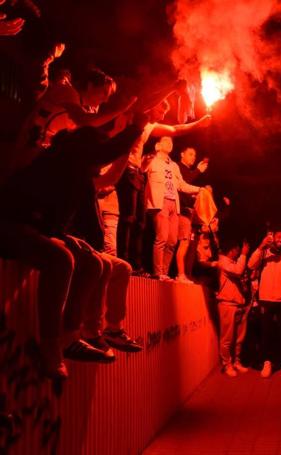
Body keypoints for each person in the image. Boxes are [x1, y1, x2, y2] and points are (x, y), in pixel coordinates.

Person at [0, 114, 147, 379]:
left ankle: (71, 336)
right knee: (61, 259)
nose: (101, 165)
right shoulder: (61, 161)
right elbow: (26, 210)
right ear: (87, 151)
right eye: (97, 156)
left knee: (91, 261)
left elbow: (69, 222)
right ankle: (50, 348)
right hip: (9, 223)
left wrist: (67, 237)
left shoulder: (76, 172)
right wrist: (137, 126)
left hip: (34, 227)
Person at [115, 97, 211, 273]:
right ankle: (127, 262)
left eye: (165, 113)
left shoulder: (171, 162)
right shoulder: (135, 123)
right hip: (134, 176)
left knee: (156, 232)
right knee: (133, 222)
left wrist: (197, 124)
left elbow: (175, 129)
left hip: (165, 197)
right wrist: (174, 88)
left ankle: (143, 267)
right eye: (161, 111)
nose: (162, 115)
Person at [144, 136, 205, 280]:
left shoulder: (174, 166)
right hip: (160, 202)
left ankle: (164, 273)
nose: (169, 143)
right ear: (158, 144)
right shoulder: (152, 160)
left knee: (172, 241)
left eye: (171, 141)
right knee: (162, 238)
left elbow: (181, 185)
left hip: (174, 204)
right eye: (165, 140)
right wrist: (152, 153)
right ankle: (158, 273)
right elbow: (142, 167)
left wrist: (199, 189)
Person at [247, 226, 281, 378]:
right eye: (278, 237)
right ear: (272, 238)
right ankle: (267, 361)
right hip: (266, 299)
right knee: (266, 333)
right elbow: (250, 265)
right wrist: (261, 246)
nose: (280, 240)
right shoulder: (263, 252)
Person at [211, 238, 251, 377]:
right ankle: (227, 364)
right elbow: (238, 271)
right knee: (227, 338)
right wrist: (244, 255)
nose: (239, 252)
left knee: (239, 338)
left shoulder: (232, 262)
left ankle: (236, 362)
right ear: (232, 249)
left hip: (238, 303)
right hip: (227, 304)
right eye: (238, 250)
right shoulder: (223, 262)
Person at [175, 147, 208, 283]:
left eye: (194, 155)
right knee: (182, 243)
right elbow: (184, 183)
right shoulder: (178, 167)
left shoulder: (188, 171)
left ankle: (185, 274)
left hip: (188, 211)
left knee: (188, 245)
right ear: (182, 154)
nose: (193, 157)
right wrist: (198, 171)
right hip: (181, 210)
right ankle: (180, 274)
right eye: (190, 154)